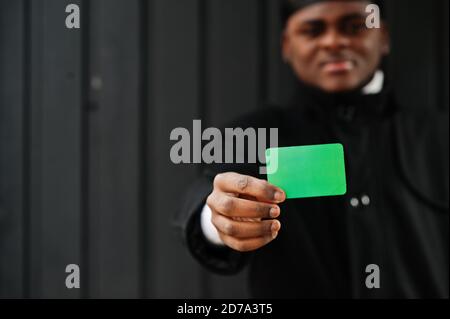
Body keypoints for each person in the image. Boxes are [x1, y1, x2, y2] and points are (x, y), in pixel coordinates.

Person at [175, 0, 449, 298]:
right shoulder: (254, 134)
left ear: (382, 36)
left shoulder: (440, 136)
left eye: (354, 26)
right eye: (313, 30)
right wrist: (216, 218)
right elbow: (206, 192)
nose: (334, 42)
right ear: (287, 45)